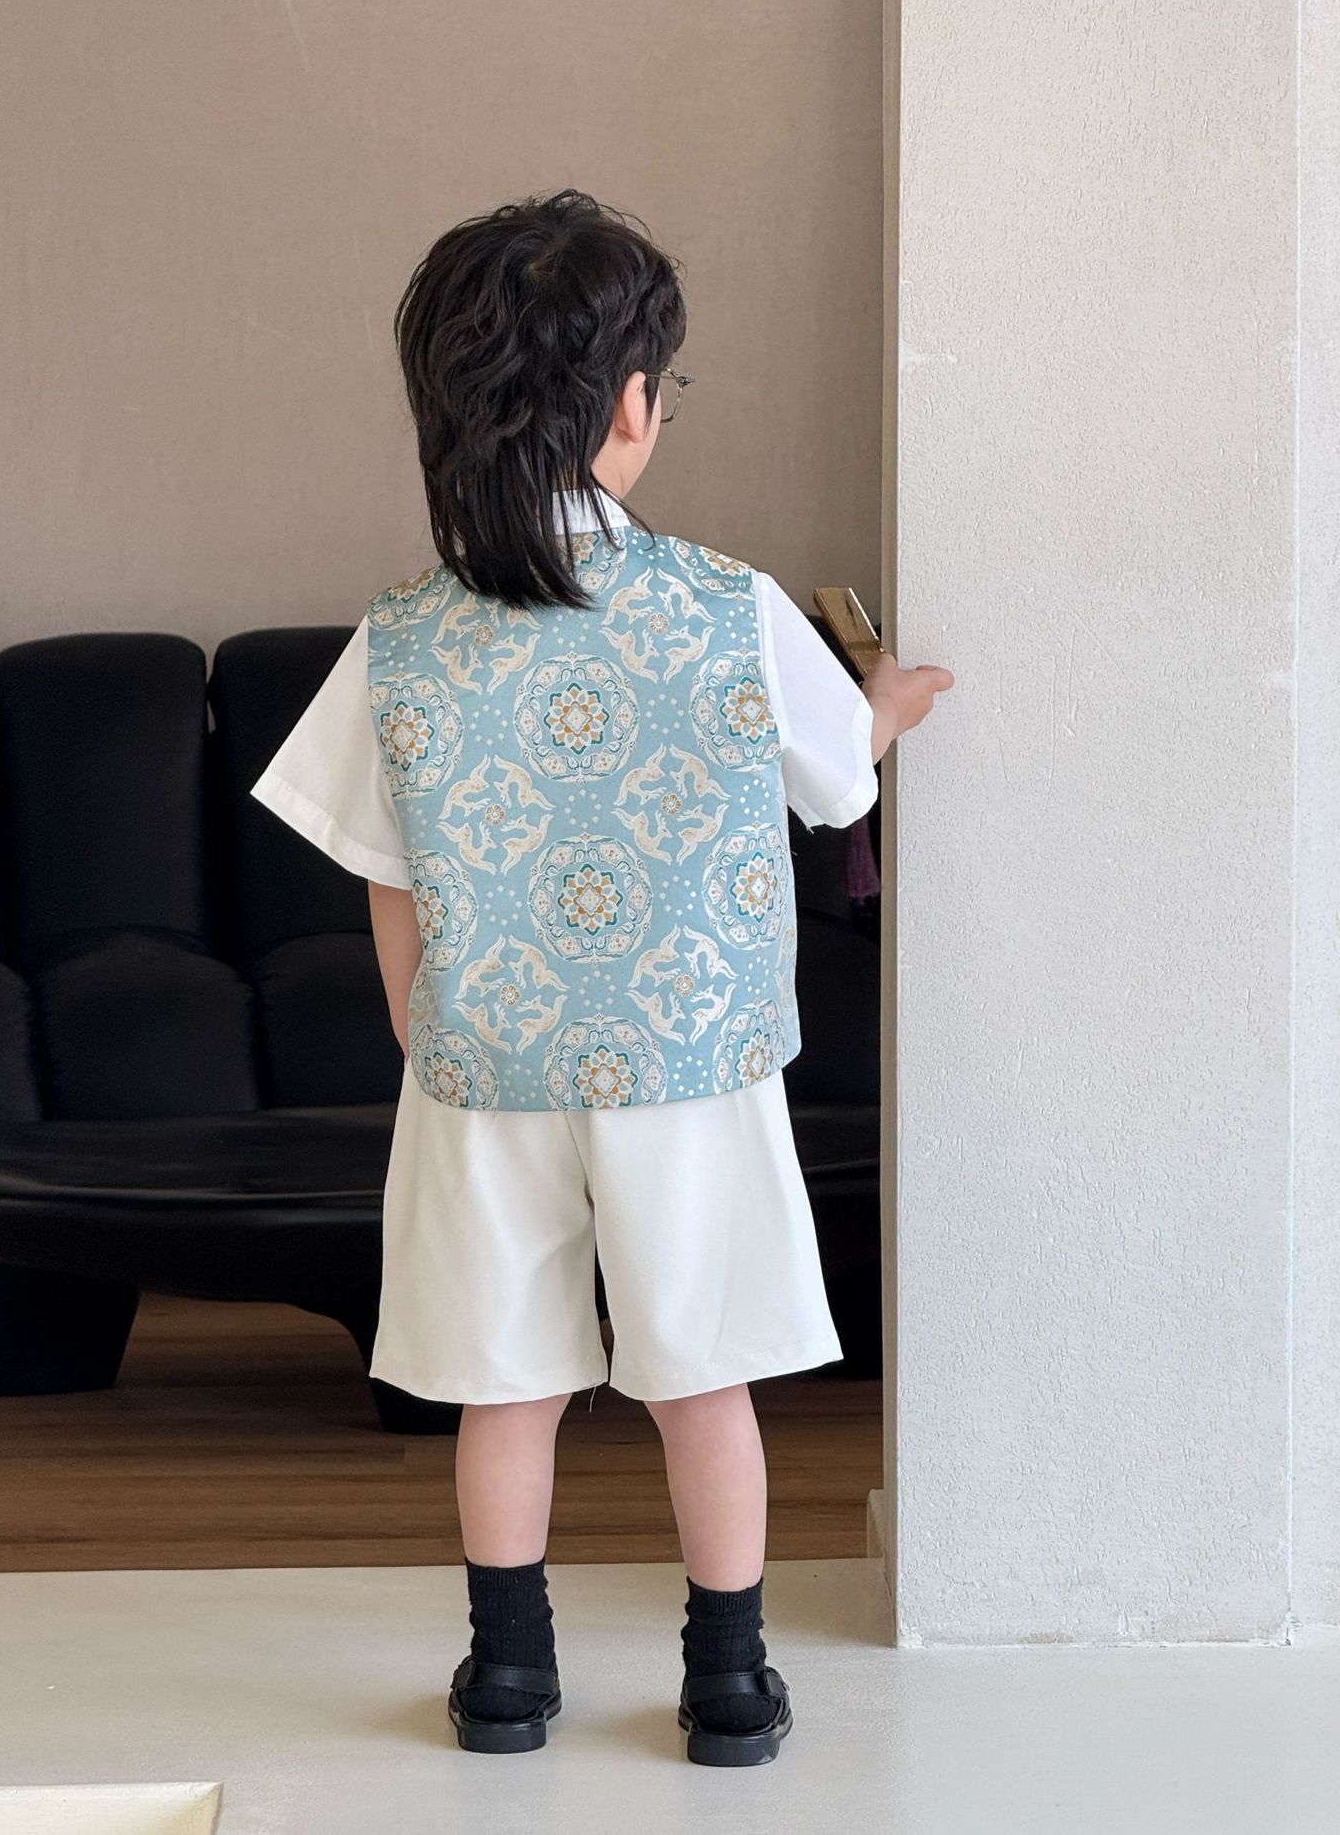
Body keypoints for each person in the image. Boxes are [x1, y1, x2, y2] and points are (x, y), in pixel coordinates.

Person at [251, 190, 953, 1766]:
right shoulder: (725, 603)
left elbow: (384, 866)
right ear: (633, 408)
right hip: (688, 1064)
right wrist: (888, 705)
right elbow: (835, 777)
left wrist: (428, 1035)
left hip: (481, 1070)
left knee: (504, 1384)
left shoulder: (403, 637)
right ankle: (730, 1680)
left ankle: (508, 1678)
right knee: (706, 1381)